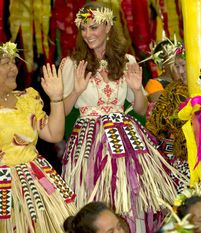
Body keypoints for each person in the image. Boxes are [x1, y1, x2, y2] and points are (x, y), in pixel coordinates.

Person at [60, 3, 177, 232]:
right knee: (90, 193)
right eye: (83, 29)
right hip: (89, 144)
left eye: (93, 27)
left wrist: (135, 89)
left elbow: (141, 109)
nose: (87, 34)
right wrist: (76, 90)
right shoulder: (72, 64)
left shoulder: (128, 61)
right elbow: (62, 112)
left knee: (133, 197)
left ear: (108, 27)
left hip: (127, 142)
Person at [0, 41, 76, 232]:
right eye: (5, 63)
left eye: (13, 62)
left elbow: (54, 134)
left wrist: (56, 98)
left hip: (35, 182)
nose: (13, 69)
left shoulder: (27, 98)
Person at [145, 39, 190, 193]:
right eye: (172, 60)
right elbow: (168, 112)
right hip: (167, 144)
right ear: (162, 63)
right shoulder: (154, 84)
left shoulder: (189, 82)